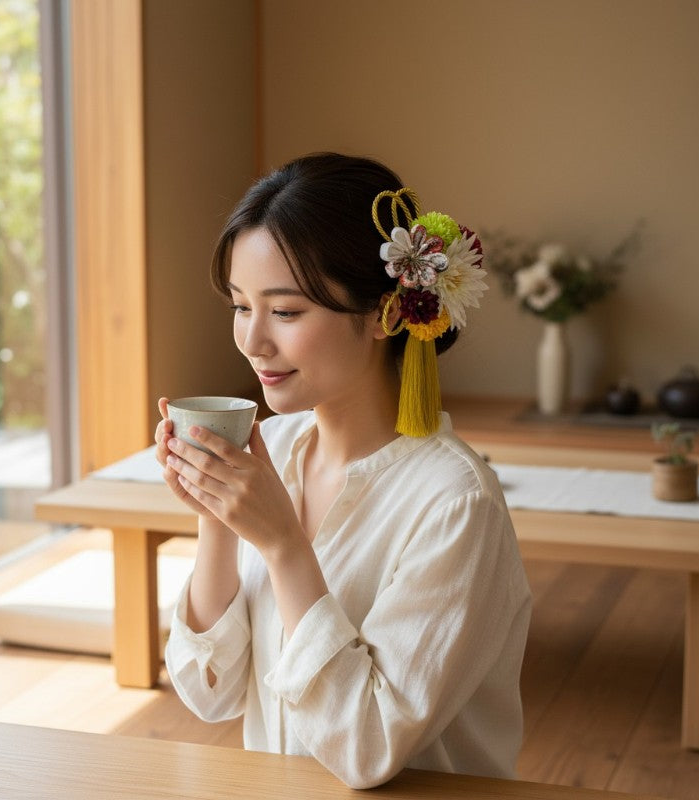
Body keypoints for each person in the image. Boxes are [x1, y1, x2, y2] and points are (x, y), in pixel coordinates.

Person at [155, 152, 531, 789]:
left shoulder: (454, 503)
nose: (252, 340)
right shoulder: (274, 448)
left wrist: (282, 544)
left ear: (387, 312)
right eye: (241, 307)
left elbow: (367, 749)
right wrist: (217, 518)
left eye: (286, 311)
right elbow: (208, 694)